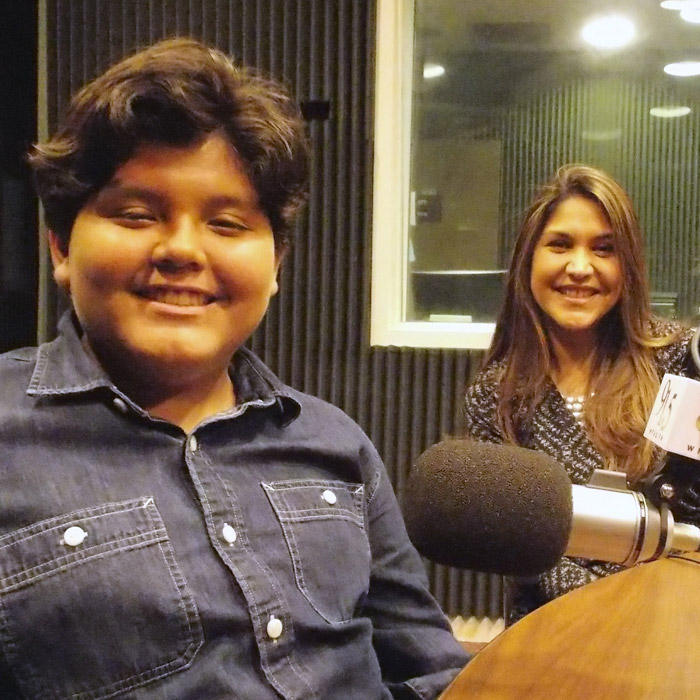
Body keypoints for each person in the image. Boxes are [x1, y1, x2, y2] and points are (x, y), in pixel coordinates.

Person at [0, 38, 468, 699]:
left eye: (226, 223)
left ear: (275, 265)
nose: (182, 250)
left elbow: (430, 669)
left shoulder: (335, 443)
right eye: (137, 214)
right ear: (60, 246)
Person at [463, 163, 697, 623]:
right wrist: (619, 605)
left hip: (675, 622)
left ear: (626, 266)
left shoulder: (678, 362)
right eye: (560, 245)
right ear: (529, 258)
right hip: (555, 626)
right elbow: (522, 545)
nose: (579, 268)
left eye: (603, 249)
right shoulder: (497, 395)